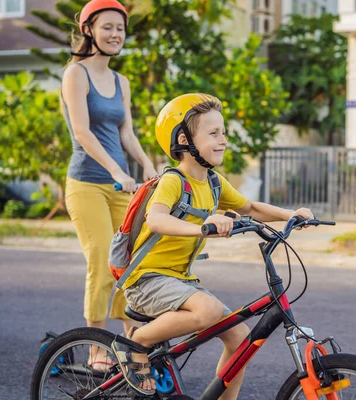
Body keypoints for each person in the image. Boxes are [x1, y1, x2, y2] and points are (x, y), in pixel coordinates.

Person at [110, 93, 313, 397]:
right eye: (214, 133)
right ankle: (136, 342)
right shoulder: (174, 181)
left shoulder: (214, 181)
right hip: (146, 280)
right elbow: (156, 219)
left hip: (178, 280)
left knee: (240, 339)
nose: (223, 140)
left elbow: (250, 207)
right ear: (183, 139)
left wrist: (292, 214)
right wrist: (201, 228)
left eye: (224, 133)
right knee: (209, 309)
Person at [61, 0, 157, 370]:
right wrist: (117, 171)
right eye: (107, 27)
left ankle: (132, 342)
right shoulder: (76, 74)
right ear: (88, 30)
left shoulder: (122, 82)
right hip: (87, 184)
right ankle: (96, 348)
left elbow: (126, 132)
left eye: (120, 28)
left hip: (121, 188)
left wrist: (147, 165)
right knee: (102, 262)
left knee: (130, 265)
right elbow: (83, 132)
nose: (115, 34)